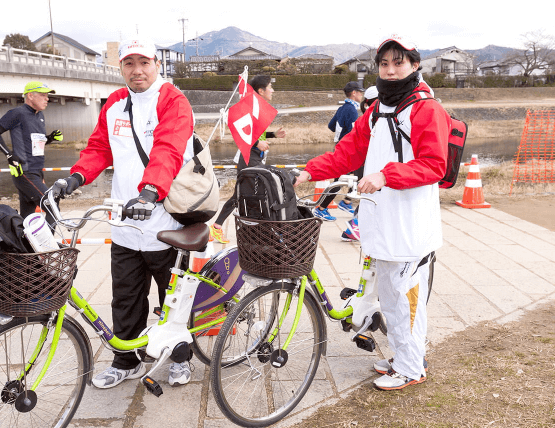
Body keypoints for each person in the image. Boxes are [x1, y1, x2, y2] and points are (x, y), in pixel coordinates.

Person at [295, 34, 450, 390]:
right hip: (381, 221)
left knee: (406, 297)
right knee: (390, 297)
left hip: (410, 227)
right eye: (384, 64)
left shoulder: (427, 109)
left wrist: (385, 175)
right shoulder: (377, 109)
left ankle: (412, 368)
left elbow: (434, 165)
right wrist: (310, 170)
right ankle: (402, 357)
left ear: (414, 64)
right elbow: (346, 153)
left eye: (399, 63)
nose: (391, 70)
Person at [53, 38, 196, 389]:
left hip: (167, 222)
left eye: (144, 62)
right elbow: (99, 148)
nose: (137, 70)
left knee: (173, 297)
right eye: (129, 63)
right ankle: (126, 361)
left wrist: (149, 192)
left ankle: (179, 357)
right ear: (120, 68)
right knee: (126, 298)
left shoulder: (173, 100)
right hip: (125, 225)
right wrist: (73, 179)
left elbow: (169, 149)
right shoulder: (115, 103)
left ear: (157, 64)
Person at [209, 75, 286, 244]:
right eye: (270, 86)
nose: (272, 90)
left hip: (254, 159)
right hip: (249, 159)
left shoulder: (258, 107)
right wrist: (257, 143)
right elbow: (237, 128)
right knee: (260, 193)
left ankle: (219, 227)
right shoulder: (250, 106)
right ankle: (266, 231)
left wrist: (273, 135)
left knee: (242, 195)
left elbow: (255, 133)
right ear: (261, 90)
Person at [0, 81, 63, 230]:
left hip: (35, 171)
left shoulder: (40, 116)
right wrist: (9, 155)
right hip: (24, 171)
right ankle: (44, 247)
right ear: (30, 95)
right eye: (43, 95)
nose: (47, 99)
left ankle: (24, 250)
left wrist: (49, 138)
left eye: (47, 95)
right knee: (52, 206)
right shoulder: (17, 113)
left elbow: (35, 143)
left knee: (27, 218)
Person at [313, 81, 365, 222]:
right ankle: (322, 208)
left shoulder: (343, 108)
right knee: (340, 179)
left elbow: (331, 125)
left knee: (354, 174)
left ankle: (346, 202)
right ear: (354, 93)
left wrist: (340, 135)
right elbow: (356, 132)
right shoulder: (352, 110)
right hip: (347, 150)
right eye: (360, 92)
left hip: (340, 147)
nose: (361, 94)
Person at [341, 85, 378, 242]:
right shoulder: (367, 117)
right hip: (369, 164)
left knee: (370, 197)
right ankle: (354, 226)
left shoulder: (363, 115)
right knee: (372, 197)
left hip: (365, 163)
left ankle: (351, 215)